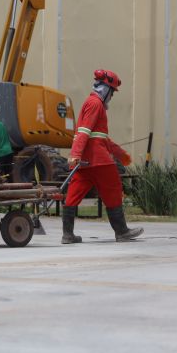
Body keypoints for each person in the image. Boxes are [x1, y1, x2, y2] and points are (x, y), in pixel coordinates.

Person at [63, 69, 143, 244]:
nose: (112, 97)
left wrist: (121, 154)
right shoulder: (95, 104)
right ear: (106, 89)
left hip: (84, 162)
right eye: (112, 92)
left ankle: (67, 234)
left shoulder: (91, 103)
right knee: (113, 188)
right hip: (98, 160)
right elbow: (84, 131)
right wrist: (75, 154)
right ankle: (121, 232)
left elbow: (100, 137)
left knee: (73, 194)